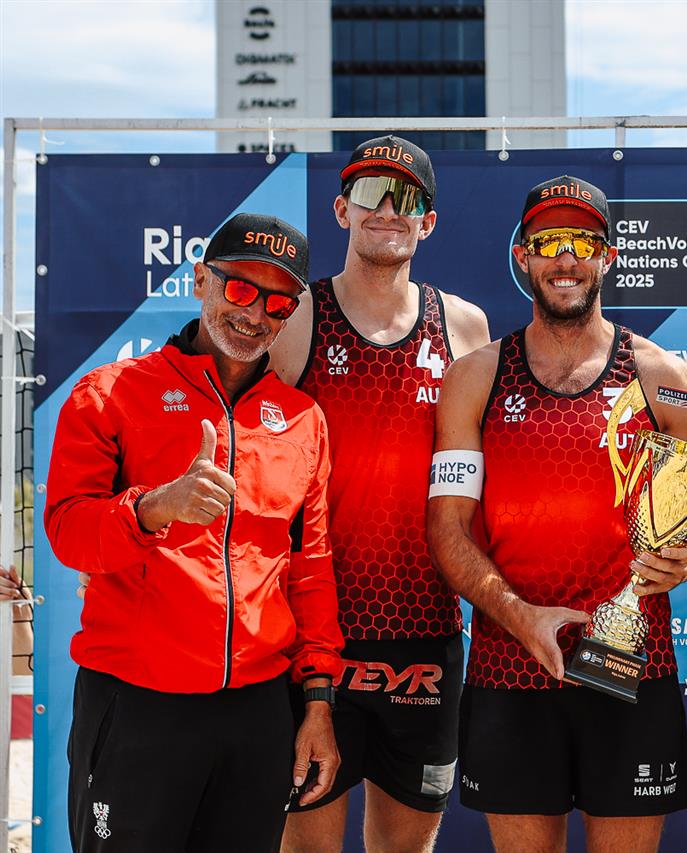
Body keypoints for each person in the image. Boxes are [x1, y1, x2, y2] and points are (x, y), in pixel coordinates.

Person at [44, 213, 343, 852]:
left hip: (257, 713)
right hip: (137, 705)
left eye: (279, 301)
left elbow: (311, 568)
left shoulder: (303, 420)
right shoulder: (110, 394)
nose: (256, 313)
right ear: (201, 281)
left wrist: (318, 700)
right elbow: (69, 533)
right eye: (239, 289)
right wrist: (153, 507)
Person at [427, 176, 687, 853]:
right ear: (522, 254)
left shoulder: (664, 379)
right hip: (510, 667)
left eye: (583, 241)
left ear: (608, 256)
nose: (566, 258)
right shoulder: (477, 376)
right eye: (549, 241)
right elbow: (447, 529)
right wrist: (523, 619)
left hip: (630, 665)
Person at [270, 135, 489, 853]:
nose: (389, 211)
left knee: (407, 849)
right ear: (341, 209)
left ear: (429, 221)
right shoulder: (297, 315)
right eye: (371, 194)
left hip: (424, 630)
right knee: (307, 848)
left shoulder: (463, 325)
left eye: (409, 199)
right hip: (314, 637)